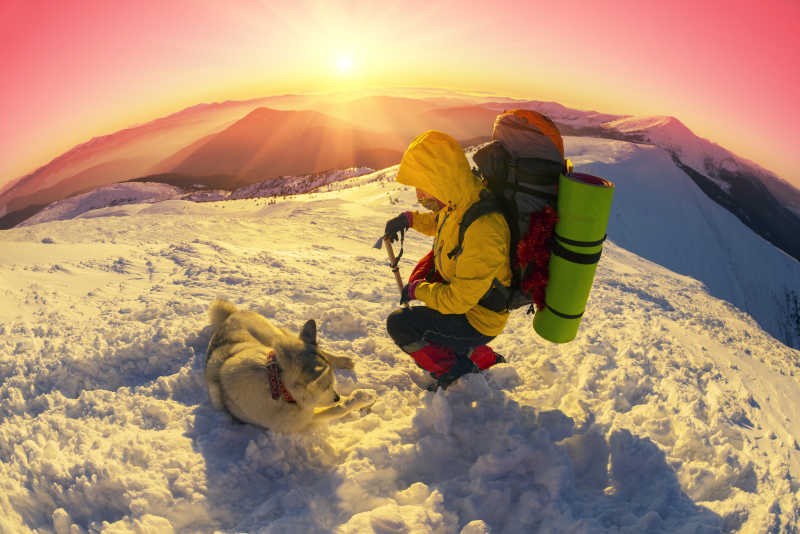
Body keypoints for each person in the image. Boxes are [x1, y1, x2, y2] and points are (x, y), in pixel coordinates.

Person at [385, 130, 510, 390]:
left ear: (440, 180)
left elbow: (457, 300)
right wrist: (408, 219)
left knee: (401, 325)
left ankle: (458, 369)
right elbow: (441, 224)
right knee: (426, 277)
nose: (421, 196)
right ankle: (478, 355)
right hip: (469, 303)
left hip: (478, 319)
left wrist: (418, 290)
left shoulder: (484, 228)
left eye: (424, 188)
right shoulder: (460, 200)